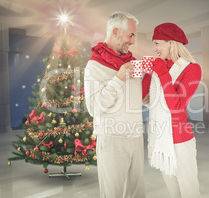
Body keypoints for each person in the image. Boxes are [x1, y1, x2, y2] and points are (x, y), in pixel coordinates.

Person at [84, 11, 145, 198]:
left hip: (135, 136)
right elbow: (94, 107)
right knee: (113, 194)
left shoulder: (132, 63)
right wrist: (118, 79)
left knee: (137, 194)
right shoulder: (94, 66)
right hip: (112, 138)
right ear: (116, 32)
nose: (133, 41)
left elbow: (140, 98)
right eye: (131, 35)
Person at [142, 22, 202, 198]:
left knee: (189, 192)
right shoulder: (161, 66)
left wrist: (161, 73)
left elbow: (176, 107)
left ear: (171, 43)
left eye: (157, 43)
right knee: (174, 193)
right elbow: (144, 99)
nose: (154, 49)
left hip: (180, 141)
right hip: (161, 139)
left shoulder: (192, 69)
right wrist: (148, 73)